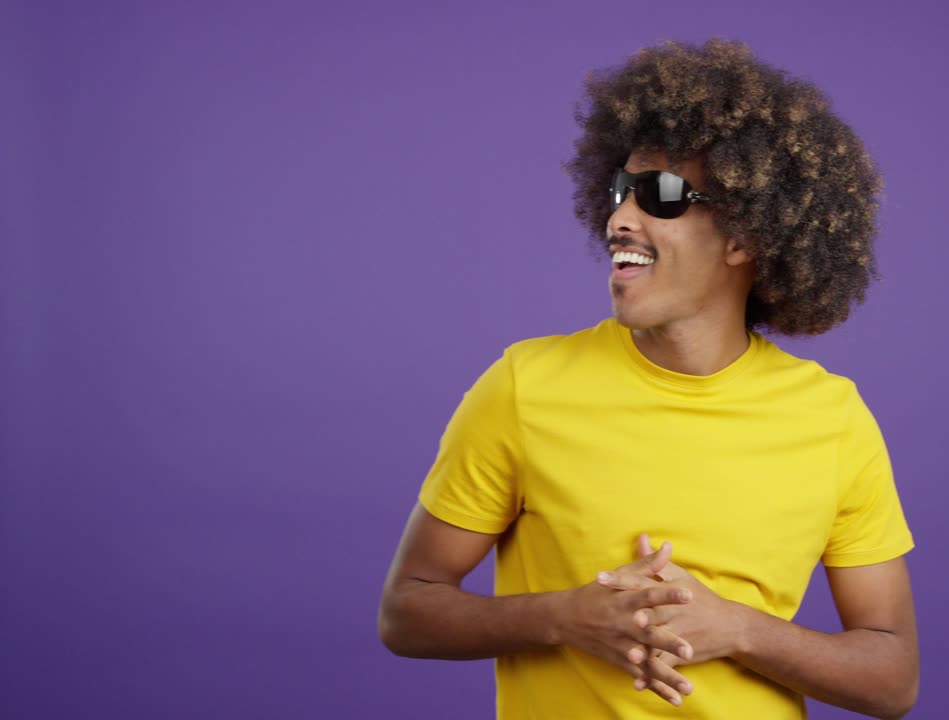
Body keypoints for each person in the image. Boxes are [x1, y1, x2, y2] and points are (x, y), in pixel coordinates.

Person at [378, 38, 919, 719]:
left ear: (745, 237)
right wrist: (564, 617)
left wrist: (741, 630)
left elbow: (893, 678)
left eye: (660, 194)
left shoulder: (832, 418)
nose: (619, 219)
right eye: (618, 192)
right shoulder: (525, 386)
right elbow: (407, 610)